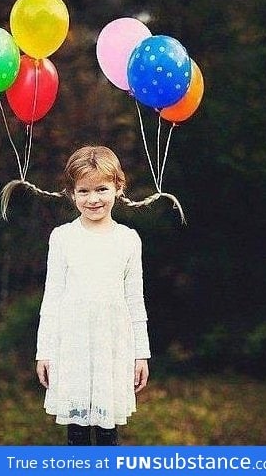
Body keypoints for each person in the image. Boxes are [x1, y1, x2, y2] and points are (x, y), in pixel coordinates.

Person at [35, 145, 151, 446]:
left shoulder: (128, 239)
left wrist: (141, 354)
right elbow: (52, 299)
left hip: (112, 347)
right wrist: (43, 351)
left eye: (102, 188)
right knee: (76, 433)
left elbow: (135, 301)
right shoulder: (62, 238)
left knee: (107, 430)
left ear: (118, 187)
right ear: (71, 193)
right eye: (83, 191)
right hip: (72, 346)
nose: (93, 199)